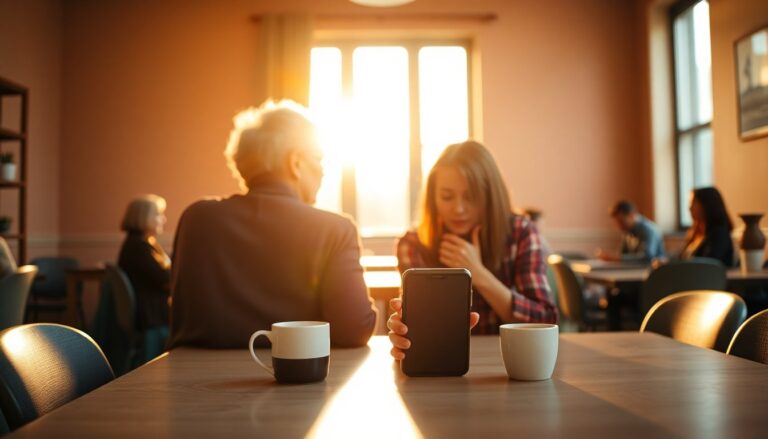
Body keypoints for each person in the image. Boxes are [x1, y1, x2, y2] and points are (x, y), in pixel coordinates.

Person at [168, 100, 376, 349]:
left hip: (188, 384)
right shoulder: (335, 230)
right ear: (295, 162)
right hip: (293, 380)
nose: (323, 171)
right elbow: (353, 331)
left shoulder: (196, 219)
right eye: (319, 158)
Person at [389, 141, 557, 359]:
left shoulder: (520, 232)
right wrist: (403, 328)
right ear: (433, 198)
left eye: (471, 196)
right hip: (442, 361)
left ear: (490, 195)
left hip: (511, 362)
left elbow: (546, 321)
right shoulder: (413, 243)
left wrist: (478, 274)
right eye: (447, 197)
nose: (458, 209)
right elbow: (418, 328)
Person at [118, 194, 172, 333]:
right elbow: (166, 279)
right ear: (144, 217)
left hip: (152, 311)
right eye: (159, 215)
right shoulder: (139, 247)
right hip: (151, 315)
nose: (164, 219)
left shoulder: (141, 244)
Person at [680, 186, 734, 266]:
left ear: (707, 205)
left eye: (693, 203)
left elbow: (708, 264)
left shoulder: (719, 235)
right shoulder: (696, 234)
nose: (690, 208)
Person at [597, 200, 665, 264]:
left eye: (621, 222)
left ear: (632, 215)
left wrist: (618, 258)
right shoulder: (628, 231)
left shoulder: (649, 230)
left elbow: (647, 257)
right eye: (617, 223)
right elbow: (623, 254)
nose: (619, 226)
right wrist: (612, 257)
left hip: (653, 273)